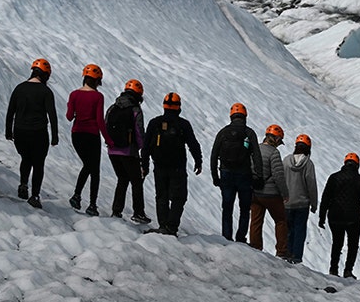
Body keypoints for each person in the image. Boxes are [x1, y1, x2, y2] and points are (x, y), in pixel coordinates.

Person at [142, 92, 203, 235]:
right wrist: (198, 161)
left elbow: (145, 147)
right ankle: (172, 226)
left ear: (164, 106)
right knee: (179, 197)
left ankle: (163, 225)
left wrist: (144, 165)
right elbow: (193, 144)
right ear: (179, 107)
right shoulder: (183, 124)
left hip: (159, 165)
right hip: (177, 167)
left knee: (161, 196)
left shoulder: (154, 123)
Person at [5, 58, 59, 209]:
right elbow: (52, 115)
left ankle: (23, 185)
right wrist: (55, 136)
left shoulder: (19, 88)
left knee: (26, 158)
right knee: (38, 164)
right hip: (38, 133)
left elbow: (11, 112)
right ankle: (35, 196)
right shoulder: (46, 92)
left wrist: (8, 131)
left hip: (20, 131)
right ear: (46, 75)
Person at [210, 103, 262, 242]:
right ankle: (240, 237)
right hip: (244, 175)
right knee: (244, 209)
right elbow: (256, 155)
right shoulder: (249, 133)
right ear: (244, 116)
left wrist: (215, 176)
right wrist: (259, 176)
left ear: (231, 116)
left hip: (226, 174)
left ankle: (226, 237)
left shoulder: (223, 132)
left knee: (227, 207)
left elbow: (214, 154)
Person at [66, 64, 111, 216]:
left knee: (87, 165)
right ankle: (92, 204)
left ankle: (77, 195)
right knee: (94, 170)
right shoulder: (98, 97)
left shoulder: (74, 94)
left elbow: (69, 116)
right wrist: (109, 140)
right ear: (97, 80)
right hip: (92, 135)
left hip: (77, 134)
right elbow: (100, 120)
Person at [319, 152, 360, 278]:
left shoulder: (334, 177)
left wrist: (322, 217)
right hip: (353, 218)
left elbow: (326, 197)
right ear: (357, 165)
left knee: (337, 243)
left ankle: (333, 269)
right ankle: (348, 270)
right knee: (352, 245)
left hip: (335, 216)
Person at [106, 79, 150, 224]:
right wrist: (140, 148)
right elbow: (139, 131)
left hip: (112, 151)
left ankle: (116, 210)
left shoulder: (113, 107)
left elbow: (106, 124)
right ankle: (138, 213)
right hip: (128, 151)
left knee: (122, 179)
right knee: (136, 181)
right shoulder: (135, 109)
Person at [248, 124, 290, 256]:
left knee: (255, 221)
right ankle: (281, 251)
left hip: (255, 192)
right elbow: (278, 175)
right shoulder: (274, 153)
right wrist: (285, 194)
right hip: (271, 194)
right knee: (281, 220)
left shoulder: (255, 149)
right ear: (276, 139)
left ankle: (255, 247)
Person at [282, 133, 317, 264]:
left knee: (288, 230)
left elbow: (280, 180)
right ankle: (296, 257)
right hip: (302, 204)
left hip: (287, 202)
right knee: (299, 231)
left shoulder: (286, 160)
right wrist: (314, 204)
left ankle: (286, 253)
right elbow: (311, 184)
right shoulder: (308, 164)